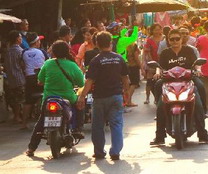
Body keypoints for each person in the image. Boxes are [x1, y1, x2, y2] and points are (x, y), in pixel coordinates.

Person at [150, 29, 208, 145]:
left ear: (181, 39)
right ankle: (159, 136)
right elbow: (160, 66)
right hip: (169, 81)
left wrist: (198, 71)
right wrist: (157, 72)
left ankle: (203, 132)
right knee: (159, 92)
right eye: (172, 39)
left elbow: (197, 64)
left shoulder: (189, 50)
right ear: (168, 40)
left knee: (199, 86)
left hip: (188, 79)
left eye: (177, 39)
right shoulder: (165, 53)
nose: (175, 41)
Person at [26, 40, 85, 157]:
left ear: (53, 52)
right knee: (80, 106)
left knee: (41, 122)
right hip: (68, 98)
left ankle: (31, 148)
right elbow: (81, 82)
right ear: (68, 51)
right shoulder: (72, 65)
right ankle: (77, 129)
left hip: (49, 98)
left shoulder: (47, 64)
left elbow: (40, 80)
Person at [77, 31, 130, 160]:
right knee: (116, 124)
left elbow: (89, 81)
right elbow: (125, 78)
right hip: (116, 96)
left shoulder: (96, 60)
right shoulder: (119, 58)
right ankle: (115, 151)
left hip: (100, 98)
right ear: (111, 43)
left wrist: (82, 96)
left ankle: (99, 152)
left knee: (98, 125)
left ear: (97, 44)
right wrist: (126, 93)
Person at [20, 32, 46, 129]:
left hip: (29, 78)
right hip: (41, 77)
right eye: (39, 40)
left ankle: (24, 124)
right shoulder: (42, 52)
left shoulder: (24, 52)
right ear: (36, 42)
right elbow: (48, 63)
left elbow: (22, 64)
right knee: (47, 98)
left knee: (28, 101)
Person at [4, 30, 26, 123]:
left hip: (10, 78)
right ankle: (17, 116)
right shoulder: (20, 51)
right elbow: (23, 64)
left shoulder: (8, 51)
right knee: (20, 99)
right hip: (19, 78)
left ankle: (16, 116)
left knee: (13, 98)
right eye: (20, 37)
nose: (21, 38)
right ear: (17, 39)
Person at [143, 24, 163, 104]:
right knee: (150, 81)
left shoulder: (164, 38)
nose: (157, 31)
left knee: (160, 80)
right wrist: (152, 62)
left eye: (159, 29)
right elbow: (147, 52)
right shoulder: (149, 40)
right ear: (152, 30)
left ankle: (157, 97)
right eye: (155, 29)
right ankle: (147, 97)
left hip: (162, 62)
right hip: (152, 62)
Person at [126, 43, 143, 107]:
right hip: (134, 67)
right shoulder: (134, 50)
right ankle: (128, 101)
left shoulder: (128, 49)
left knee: (130, 85)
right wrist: (142, 69)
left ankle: (128, 100)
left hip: (129, 67)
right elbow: (137, 60)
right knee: (134, 84)